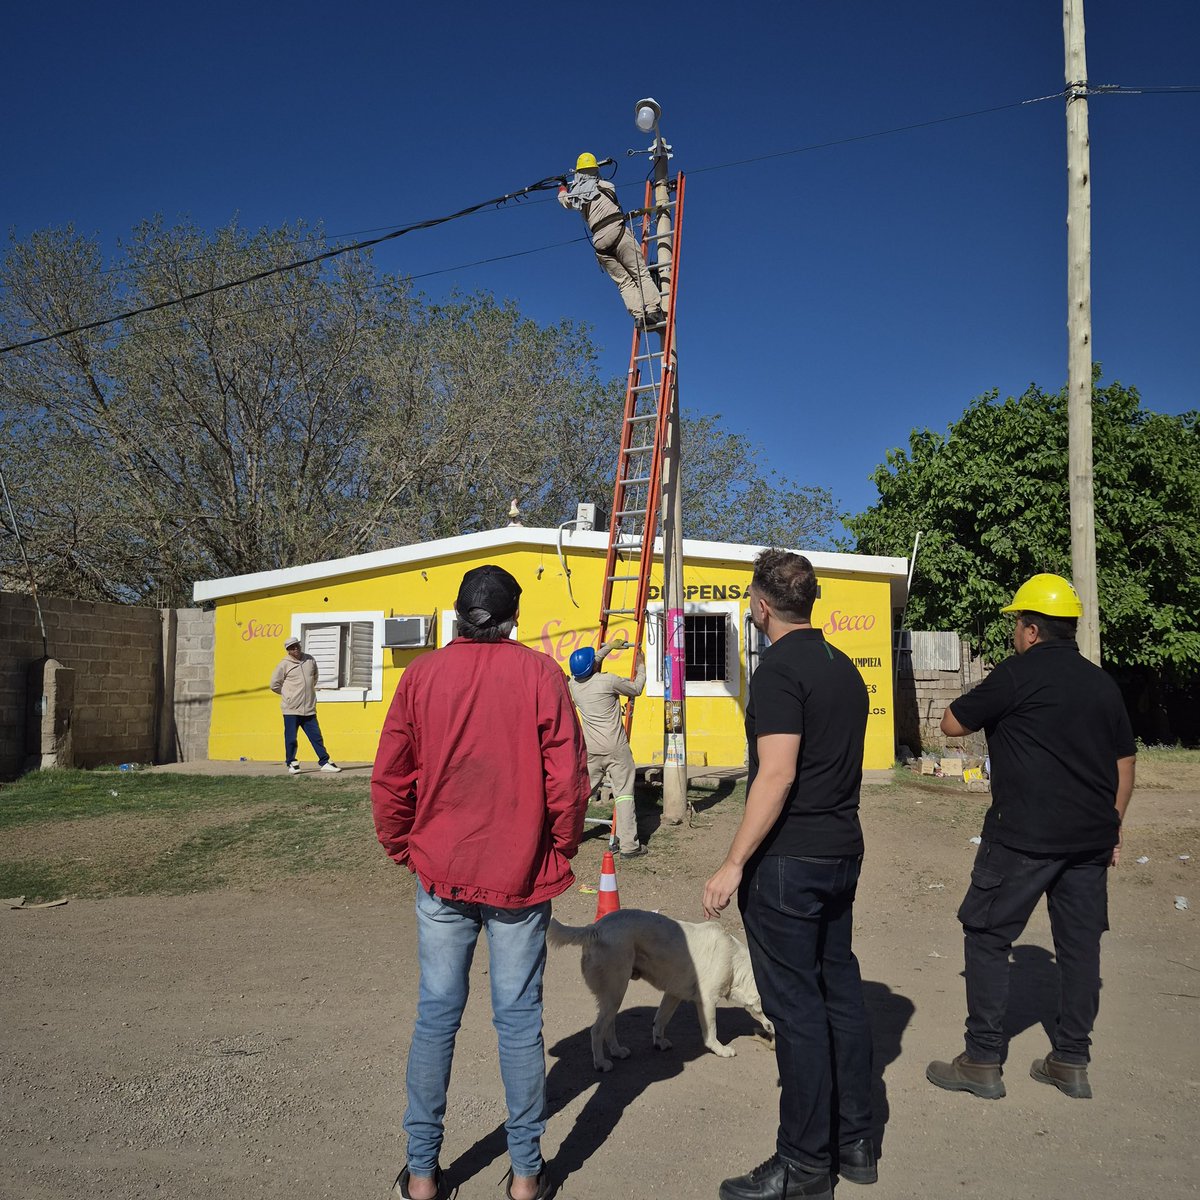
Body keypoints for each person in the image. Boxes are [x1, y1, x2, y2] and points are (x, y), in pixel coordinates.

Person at [372, 564, 590, 1200]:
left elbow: (390, 775)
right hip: (519, 878)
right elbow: (568, 780)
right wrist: (559, 845)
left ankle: (421, 1175)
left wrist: (400, 843)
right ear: (513, 618)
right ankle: (526, 1177)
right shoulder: (541, 675)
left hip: (441, 873)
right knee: (519, 1022)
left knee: (436, 1017)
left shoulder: (422, 675)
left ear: (458, 614)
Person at [703, 549, 875, 1200]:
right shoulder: (843, 668)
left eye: (751, 601)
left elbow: (777, 774)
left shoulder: (778, 671)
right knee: (839, 991)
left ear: (762, 605)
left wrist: (732, 862)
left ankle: (803, 1167)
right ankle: (856, 1141)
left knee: (797, 1012)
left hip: (790, 863)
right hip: (840, 853)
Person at [926, 573, 1136, 1102]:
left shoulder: (1015, 675)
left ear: (1033, 628)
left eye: (1017, 623)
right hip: (1089, 841)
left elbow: (951, 725)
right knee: (1080, 948)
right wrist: (1112, 825)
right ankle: (1071, 1060)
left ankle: (981, 1060)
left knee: (988, 935)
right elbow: (1125, 761)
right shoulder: (1101, 683)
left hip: (1021, 837)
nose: (1015, 633)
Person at [558, 152, 665, 327]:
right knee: (640, 273)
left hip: (600, 243)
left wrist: (563, 187)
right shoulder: (607, 186)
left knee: (624, 282)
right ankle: (652, 311)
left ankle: (638, 316)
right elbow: (593, 186)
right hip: (617, 232)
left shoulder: (576, 196)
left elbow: (564, 200)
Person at [568, 639, 647, 859]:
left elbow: (590, 665)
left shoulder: (573, 687)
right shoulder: (608, 681)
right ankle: (629, 846)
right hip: (616, 749)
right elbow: (636, 689)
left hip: (591, 750)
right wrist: (641, 667)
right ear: (593, 667)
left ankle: (568, 836)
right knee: (623, 795)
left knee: (582, 794)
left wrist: (609, 647)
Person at [268, 635, 341, 774]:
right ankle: (291, 762)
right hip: (291, 709)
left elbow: (314, 677)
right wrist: (288, 695)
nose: (295, 649)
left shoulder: (310, 659)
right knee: (291, 738)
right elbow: (274, 684)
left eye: (297, 646)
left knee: (316, 737)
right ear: (288, 651)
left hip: (309, 708)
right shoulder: (283, 664)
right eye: (292, 648)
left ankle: (325, 762)